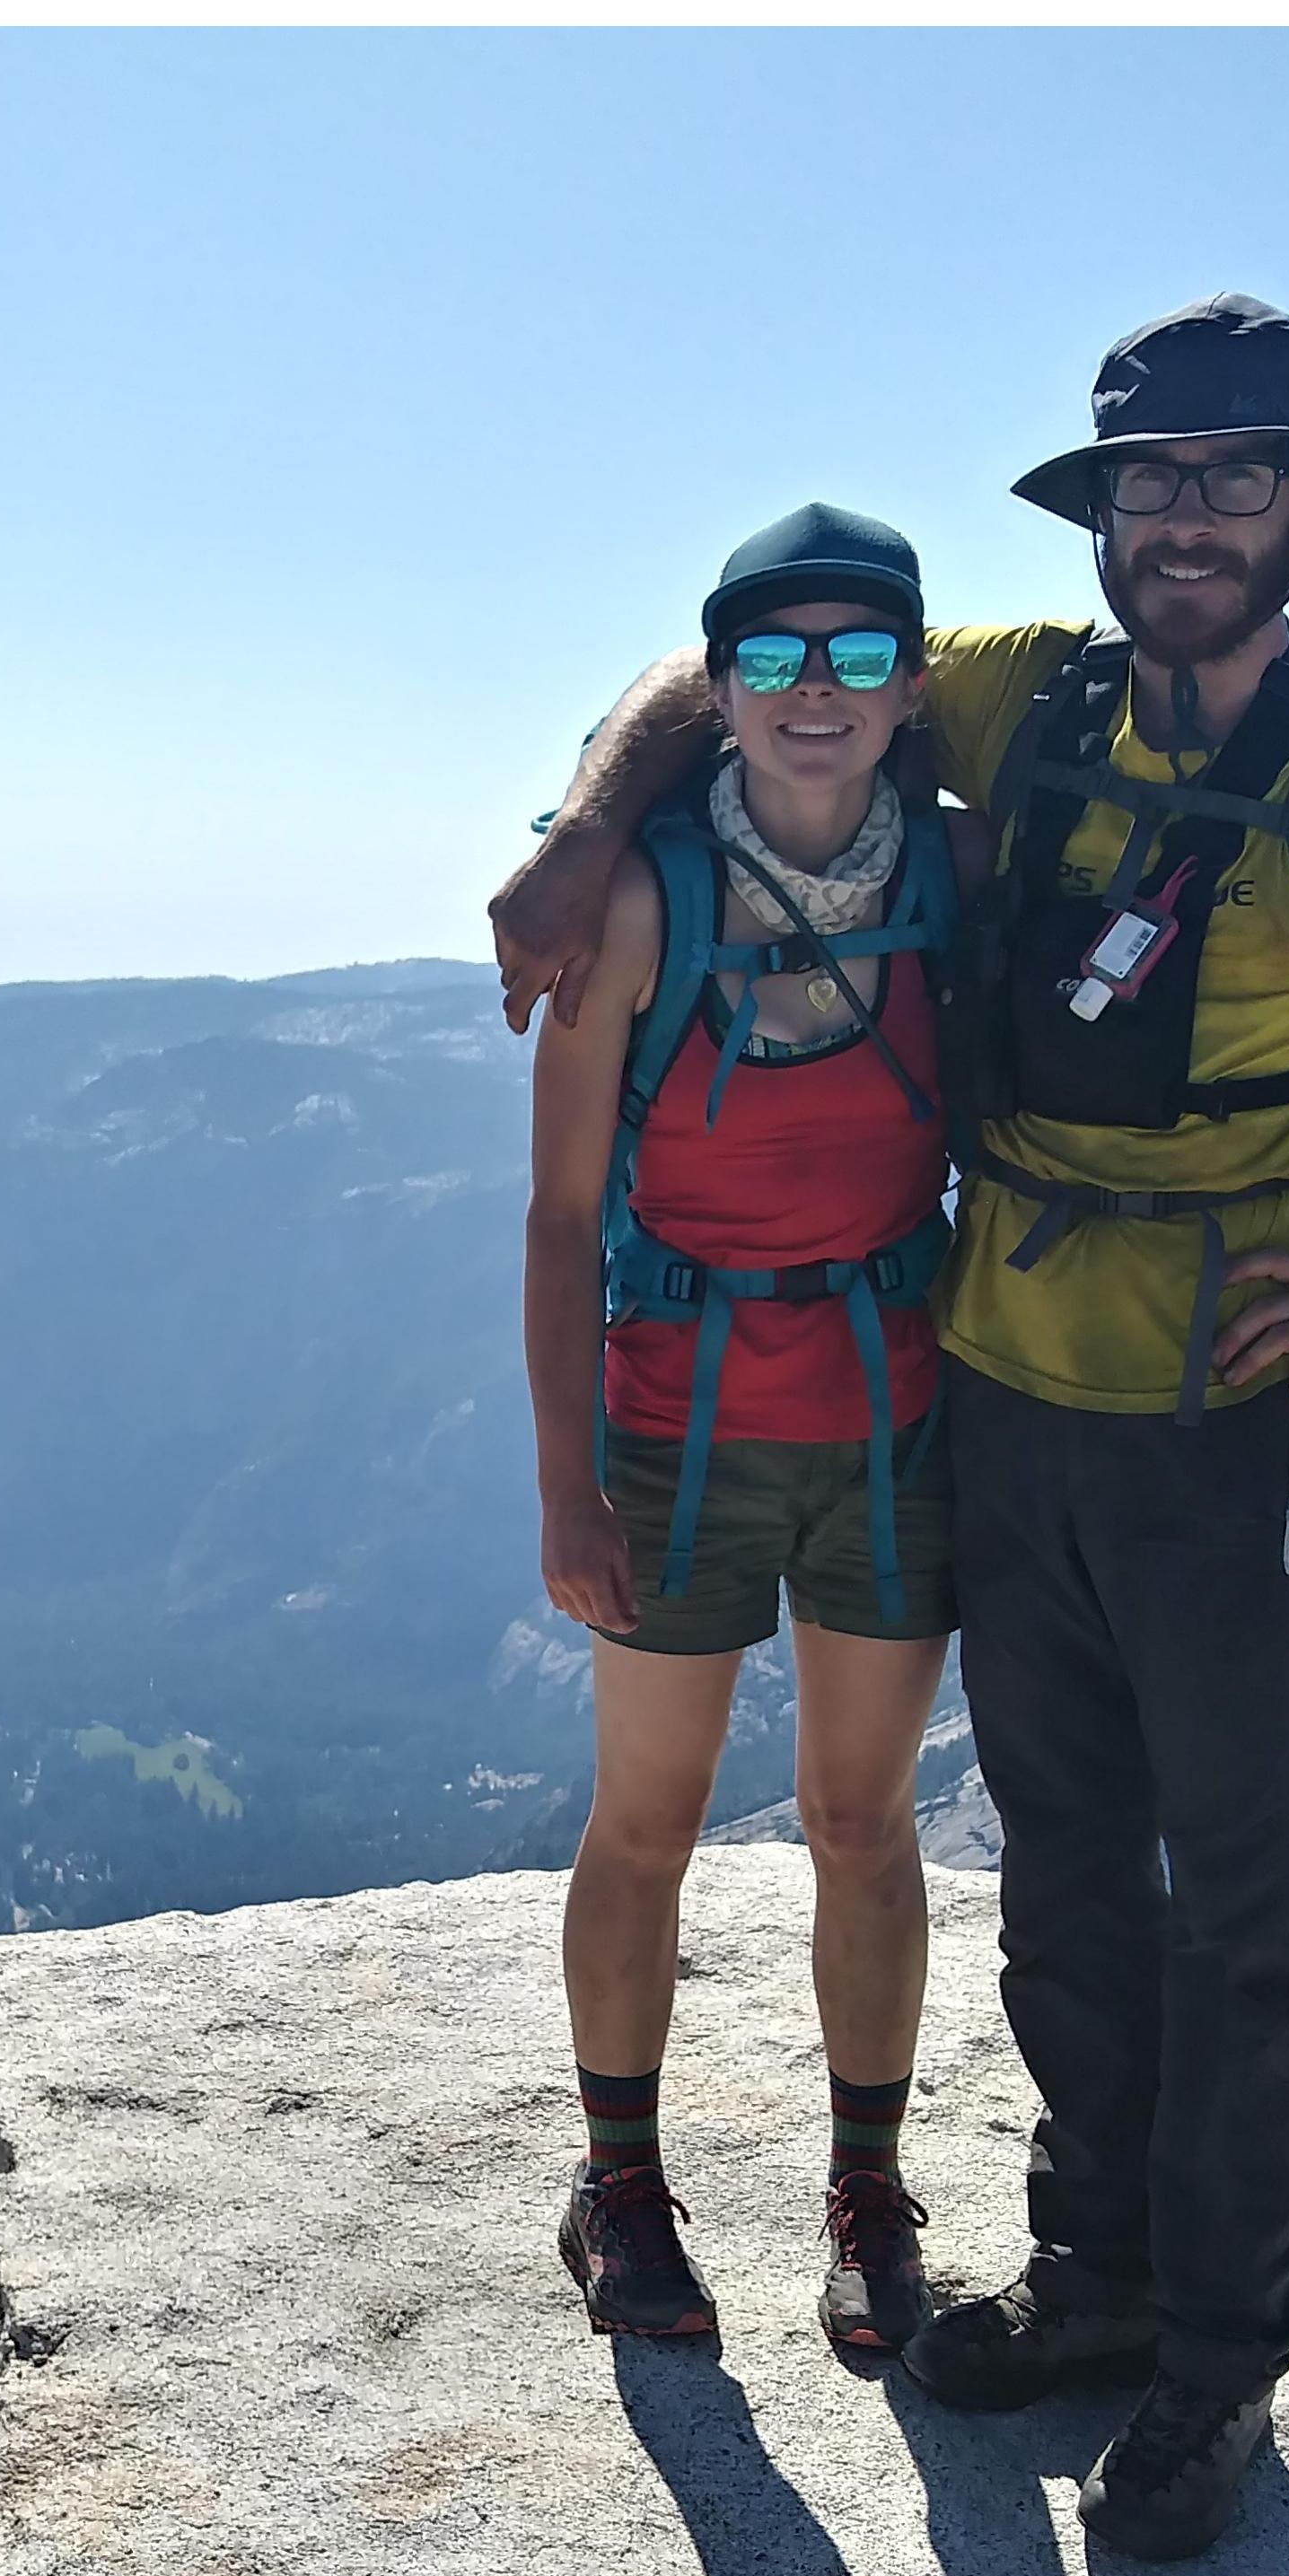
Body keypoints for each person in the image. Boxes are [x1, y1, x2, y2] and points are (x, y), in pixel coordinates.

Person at [495, 297, 1289, 2557]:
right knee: (1056, 1856)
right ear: (1104, 511)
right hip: (991, 1373)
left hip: (1221, 1401)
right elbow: (747, 660)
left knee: (1236, 1888)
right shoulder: (1032, 685)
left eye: (1239, 480)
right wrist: (582, 834)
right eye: (1153, 481)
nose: (1189, 520)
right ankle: (1094, 2275)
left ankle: (1221, 2364)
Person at [526, 502, 972, 2358]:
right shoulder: (638, 905)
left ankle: (866, 2190)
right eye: (771, 655)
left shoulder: (959, 877)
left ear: (910, 684)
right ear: (714, 688)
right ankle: (617, 2181)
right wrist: (564, 1490)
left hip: (889, 1413)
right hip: (680, 1422)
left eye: (855, 655)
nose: (813, 690)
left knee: (866, 1817)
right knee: (650, 1818)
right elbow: (559, 1213)